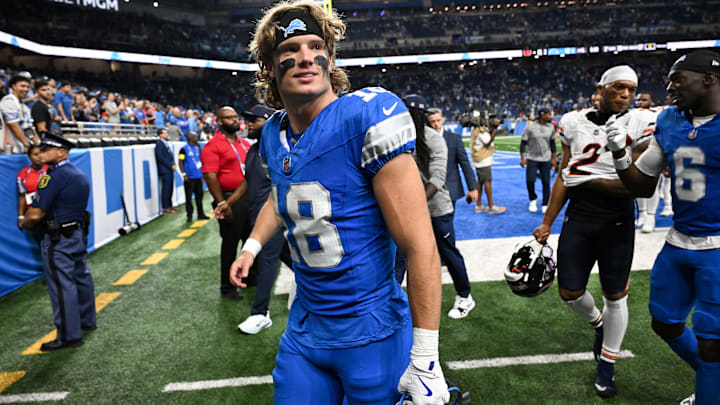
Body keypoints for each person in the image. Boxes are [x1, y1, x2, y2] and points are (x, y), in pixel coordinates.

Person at [229, 2, 449, 403]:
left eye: (316, 46)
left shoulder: (365, 116)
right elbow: (283, 200)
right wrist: (252, 246)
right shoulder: (273, 134)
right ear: (268, 68)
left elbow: (420, 247)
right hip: (306, 328)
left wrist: (426, 360)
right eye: (289, 51)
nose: (305, 57)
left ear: (330, 58)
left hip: (371, 330)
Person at [533, 65, 656, 398]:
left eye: (631, 89)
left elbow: (637, 186)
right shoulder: (572, 121)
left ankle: (607, 363)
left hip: (617, 219)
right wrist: (547, 221)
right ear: (600, 88)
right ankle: (599, 324)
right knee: (569, 292)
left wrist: (590, 180)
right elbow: (563, 174)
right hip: (580, 216)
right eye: (619, 88)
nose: (626, 95)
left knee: (615, 294)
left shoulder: (642, 123)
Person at [606, 50, 720, 405]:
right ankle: (711, 379)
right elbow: (642, 184)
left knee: (712, 339)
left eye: (677, 79)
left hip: (717, 246)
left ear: (708, 80)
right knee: (665, 322)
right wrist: (621, 155)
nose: (669, 87)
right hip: (678, 241)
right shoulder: (670, 119)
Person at [216, 104, 292, 334]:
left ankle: (260, 313)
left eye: (254, 120)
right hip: (257, 216)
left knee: (267, 261)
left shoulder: (280, 149)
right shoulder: (253, 150)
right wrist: (227, 203)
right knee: (288, 257)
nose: (248, 123)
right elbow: (247, 182)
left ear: (268, 122)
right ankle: (323, 290)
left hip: (273, 217)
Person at [400, 95, 475, 320]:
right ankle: (390, 304)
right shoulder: (399, 137)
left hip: (435, 209)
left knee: (448, 252)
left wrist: (415, 206)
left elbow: (437, 179)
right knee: (398, 257)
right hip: (407, 209)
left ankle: (465, 296)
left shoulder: (433, 139)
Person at [22, 132, 96, 351]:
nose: (42, 153)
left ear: (61, 151)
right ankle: (86, 321)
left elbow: (35, 214)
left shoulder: (53, 176)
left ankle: (68, 335)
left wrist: (26, 223)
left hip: (57, 238)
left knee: (62, 286)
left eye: (47, 149)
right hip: (76, 233)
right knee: (81, 277)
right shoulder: (77, 173)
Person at [201, 106, 252, 301]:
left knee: (250, 240)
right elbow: (210, 176)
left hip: (249, 199)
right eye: (229, 118)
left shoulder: (244, 144)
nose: (234, 120)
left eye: (235, 117)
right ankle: (227, 287)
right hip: (230, 200)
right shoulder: (213, 145)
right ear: (220, 122)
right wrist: (222, 203)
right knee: (230, 244)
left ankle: (250, 277)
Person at [426, 107, 478, 207]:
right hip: (428, 190)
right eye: (432, 122)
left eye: (438, 120)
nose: (436, 124)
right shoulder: (422, 140)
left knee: (447, 221)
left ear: (442, 120)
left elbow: (465, 164)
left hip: (450, 190)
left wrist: (472, 188)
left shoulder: (455, 139)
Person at [520, 107, 557, 213]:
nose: (551, 116)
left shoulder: (551, 127)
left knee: (546, 182)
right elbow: (523, 143)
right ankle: (533, 199)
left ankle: (545, 203)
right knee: (530, 180)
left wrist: (554, 159)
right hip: (532, 158)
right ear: (542, 115)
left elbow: (552, 144)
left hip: (546, 159)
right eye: (549, 114)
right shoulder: (530, 127)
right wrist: (522, 158)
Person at [470, 118, 505, 214]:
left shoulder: (476, 130)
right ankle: (491, 206)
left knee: (480, 182)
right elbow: (489, 142)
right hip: (483, 160)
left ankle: (479, 204)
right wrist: (495, 130)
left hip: (479, 160)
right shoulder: (481, 132)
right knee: (487, 182)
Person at [0, 75, 37, 153]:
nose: (26, 89)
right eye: (22, 86)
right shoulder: (9, 101)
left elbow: (28, 127)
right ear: (14, 86)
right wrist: (26, 144)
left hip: (21, 148)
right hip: (9, 149)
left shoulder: (25, 107)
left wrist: (36, 142)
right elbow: (14, 126)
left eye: (28, 87)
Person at [17, 144, 48, 232]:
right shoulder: (23, 174)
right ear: (29, 157)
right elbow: (22, 196)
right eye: (35, 154)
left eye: (41, 153)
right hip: (31, 212)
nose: (39, 157)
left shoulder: (50, 170)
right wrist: (20, 216)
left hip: (47, 211)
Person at [177, 132, 208, 222]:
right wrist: (184, 174)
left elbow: (200, 161)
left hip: (198, 177)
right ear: (190, 138)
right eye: (194, 136)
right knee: (189, 198)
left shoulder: (197, 148)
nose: (196, 138)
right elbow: (180, 162)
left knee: (199, 197)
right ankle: (189, 216)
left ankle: (200, 214)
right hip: (189, 178)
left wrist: (202, 174)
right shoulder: (183, 149)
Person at [154, 128, 177, 215]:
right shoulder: (159, 145)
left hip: (169, 169)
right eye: (165, 133)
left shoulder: (166, 144)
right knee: (166, 189)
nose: (166, 134)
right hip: (165, 169)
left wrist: (173, 163)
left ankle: (170, 205)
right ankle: (165, 207)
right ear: (160, 135)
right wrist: (170, 165)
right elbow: (161, 158)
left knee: (170, 188)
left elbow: (170, 156)